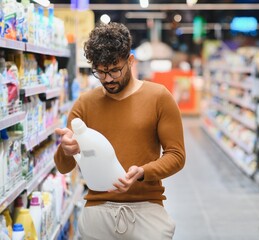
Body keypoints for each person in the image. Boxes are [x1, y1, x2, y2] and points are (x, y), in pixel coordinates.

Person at [54, 22, 186, 240]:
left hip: (146, 210)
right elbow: (62, 166)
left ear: (130, 61)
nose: (108, 79)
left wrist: (143, 172)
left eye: (115, 70)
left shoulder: (159, 97)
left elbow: (177, 155)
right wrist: (66, 150)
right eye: (101, 72)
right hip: (97, 211)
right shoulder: (85, 104)